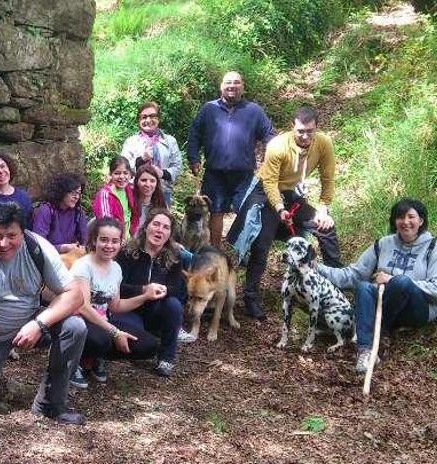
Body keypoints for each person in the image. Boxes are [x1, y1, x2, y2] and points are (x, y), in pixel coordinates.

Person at [0, 202, 87, 424]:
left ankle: (51, 404)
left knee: (75, 327)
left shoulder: (38, 248)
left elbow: (75, 295)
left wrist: (39, 324)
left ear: (23, 232)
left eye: (12, 235)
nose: (3, 243)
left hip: (28, 324)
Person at [228, 106, 342, 319]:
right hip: (267, 192)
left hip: (294, 195)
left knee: (326, 228)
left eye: (310, 131)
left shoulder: (324, 143)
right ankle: (251, 296)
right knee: (261, 243)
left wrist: (324, 208)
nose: (305, 136)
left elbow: (328, 178)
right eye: (301, 131)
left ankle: (337, 283)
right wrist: (279, 209)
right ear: (293, 127)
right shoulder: (278, 145)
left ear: (316, 128)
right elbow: (270, 182)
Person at [318, 198, 437, 373]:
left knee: (401, 282)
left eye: (411, 217)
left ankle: (379, 330)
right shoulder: (383, 244)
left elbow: (435, 289)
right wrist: (316, 267)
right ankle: (365, 350)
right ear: (394, 221)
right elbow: (354, 274)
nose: (405, 222)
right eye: (400, 217)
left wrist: (392, 279)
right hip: (385, 306)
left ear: (421, 221)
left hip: (417, 310)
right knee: (364, 287)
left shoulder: (432, 247)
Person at [68, 217, 170, 389]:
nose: (109, 246)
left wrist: (145, 296)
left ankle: (95, 357)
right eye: (104, 240)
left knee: (148, 344)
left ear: (121, 243)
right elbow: (82, 307)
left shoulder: (115, 268)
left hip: (103, 321)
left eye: (115, 241)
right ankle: (72, 362)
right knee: (103, 339)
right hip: (78, 321)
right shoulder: (82, 266)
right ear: (94, 240)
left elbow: (115, 306)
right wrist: (115, 332)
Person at [187, 71, 276, 246]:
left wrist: (274, 161)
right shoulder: (208, 109)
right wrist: (193, 158)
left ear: (243, 86)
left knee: (247, 213)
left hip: (244, 174)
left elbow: (270, 135)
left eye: (236, 83)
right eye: (228, 82)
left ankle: (240, 251)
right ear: (221, 86)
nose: (232, 86)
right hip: (215, 172)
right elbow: (195, 133)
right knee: (216, 211)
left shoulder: (254, 111)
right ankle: (214, 251)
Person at [113, 209, 185, 373]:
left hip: (156, 309)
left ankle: (166, 358)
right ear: (146, 227)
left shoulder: (174, 256)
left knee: (173, 305)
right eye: (156, 224)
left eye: (166, 227)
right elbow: (116, 287)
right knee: (138, 345)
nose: (160, 230)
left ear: (170, 234)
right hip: (128, 308)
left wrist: (163, 290)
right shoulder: (127, 252)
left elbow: (177, 290)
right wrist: (144, 289)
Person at [121, 101, 183, 204]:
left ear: (158, 119)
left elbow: (177, 166)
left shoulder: (170, 141)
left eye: (152, 116)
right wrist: (141, 160)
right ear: (139, 120)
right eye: (144, 117)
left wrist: (163, 173)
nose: (148, 120)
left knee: (159, 219)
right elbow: (123, 167)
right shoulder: (131, 142)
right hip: (135, 190)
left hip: (162, 191)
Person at [31, 172, 88, 253]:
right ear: (62, 192)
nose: (76, 197)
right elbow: (38, 245)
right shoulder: (46, 210)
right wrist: (61, 248)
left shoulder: (78, 212)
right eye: (73, 192)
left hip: (71, 257)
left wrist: (82, 248)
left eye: (78, 193)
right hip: (48, 257)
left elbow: (85, 240)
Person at [92, 155, 138, 241]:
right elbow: (106, 222)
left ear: (130, 174)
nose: (122, 177)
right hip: (112, 241)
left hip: (127, 239)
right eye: (117, 173)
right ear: (110, 174)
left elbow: (131, 215)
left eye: (125, 173)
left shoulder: (129, 190)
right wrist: (119, 240)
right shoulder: (105, 194)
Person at [131, 162, 169, 236]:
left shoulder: (161, 205)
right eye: (144, 180)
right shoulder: (128, 202)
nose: (148, 185)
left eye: (152, 181)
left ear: (157, 183)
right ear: (136, 182)